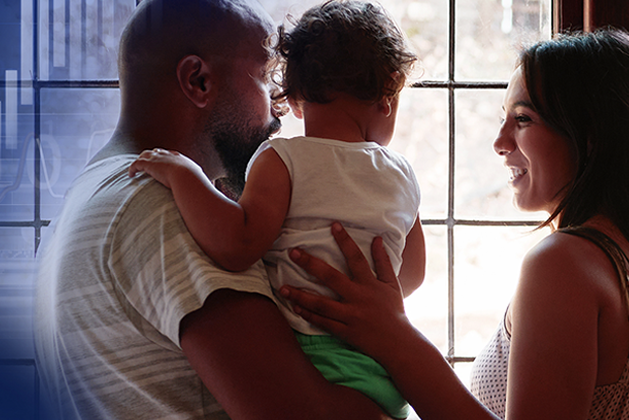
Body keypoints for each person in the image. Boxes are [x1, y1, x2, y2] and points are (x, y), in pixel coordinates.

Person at [33, 0, 395, 419]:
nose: (280, 110)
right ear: (198, 80)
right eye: (264, 78)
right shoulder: (169, 209)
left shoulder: (84, 201)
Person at [280, 28, 629, 420]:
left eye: (523, 119)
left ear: (590, 135)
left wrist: (395, 337)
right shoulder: (612, 259)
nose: (499, 141)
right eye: (503, 119)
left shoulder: (564, 264)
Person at [128, 2, 424, 418]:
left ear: (296, 101)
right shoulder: (401, 173)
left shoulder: (282, 159)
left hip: (316, 361)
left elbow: (237, 244)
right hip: (384, 370)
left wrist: (183, 175)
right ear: (389, 95)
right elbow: (410, 275)